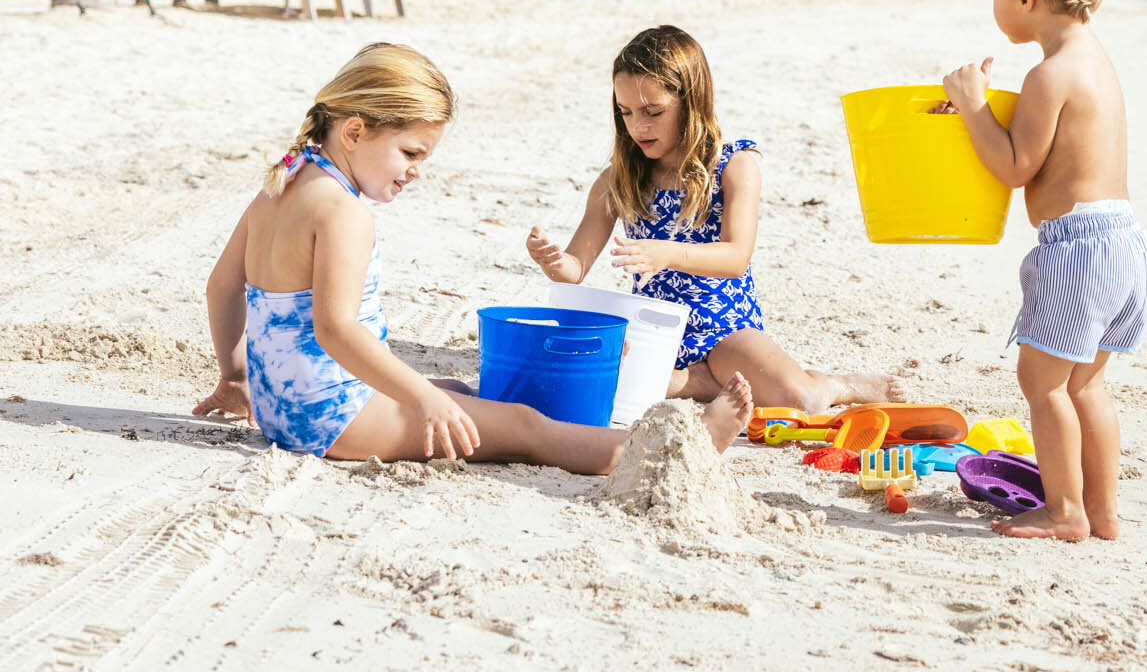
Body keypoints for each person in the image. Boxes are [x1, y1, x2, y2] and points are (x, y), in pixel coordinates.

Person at [192, 41, 751, 465]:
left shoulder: (281, 183)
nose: (415, 170)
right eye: (410, 152)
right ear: (356, 131)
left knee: (463, 390)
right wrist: (424, 402)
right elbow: (337, 330)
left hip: (280, 405)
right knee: (525, 427)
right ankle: (674, 449)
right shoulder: (342, 211)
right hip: (332, 419)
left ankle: (586, 409)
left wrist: (236, 376)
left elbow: (223, 285)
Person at [526, 25, 904, 412]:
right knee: (579, 374)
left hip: (726, 331)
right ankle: (693, 380)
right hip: (656, 330)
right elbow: (575, 270)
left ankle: (834, 384)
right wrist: (555, 262)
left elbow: (735, 257)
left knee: (799, 400)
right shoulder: (617, 180)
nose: (638, 126)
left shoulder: (734, 166)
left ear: (691, 103)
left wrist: (667, 254)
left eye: (653, 112)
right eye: (626, 113)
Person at [943, 0, 1147, 541]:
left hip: (1078, 250)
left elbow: (1014, 166)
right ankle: (1103, 510)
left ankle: (1065, 511)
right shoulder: (1096, 62)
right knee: (1085, 385)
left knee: (1041, 383)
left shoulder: (1047, 75)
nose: (995, 7)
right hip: (1123, 240)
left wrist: (974, 106)